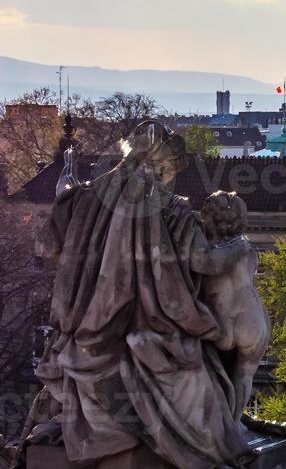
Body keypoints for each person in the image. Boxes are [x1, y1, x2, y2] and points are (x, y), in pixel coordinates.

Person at [27, 122, 257, 469]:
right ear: (164, 167)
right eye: (170, 170)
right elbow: (203, 261)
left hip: (90, 336)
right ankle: (207, 440)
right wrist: (239, 244)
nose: (170, 178)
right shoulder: (173, 212)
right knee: (200, 368)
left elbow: (48, 245)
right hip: (155, 328)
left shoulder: (89, 199)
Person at [200, 191, 272, 419]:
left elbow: (208, 265)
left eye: (206, 214)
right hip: (253, 317)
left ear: (217, 217)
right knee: (244, 375)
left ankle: (221, 427)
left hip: (221, 318)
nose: (202, 218)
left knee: (205, 369)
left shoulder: (214, 249)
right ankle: (234, 423)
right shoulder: (246, 248)